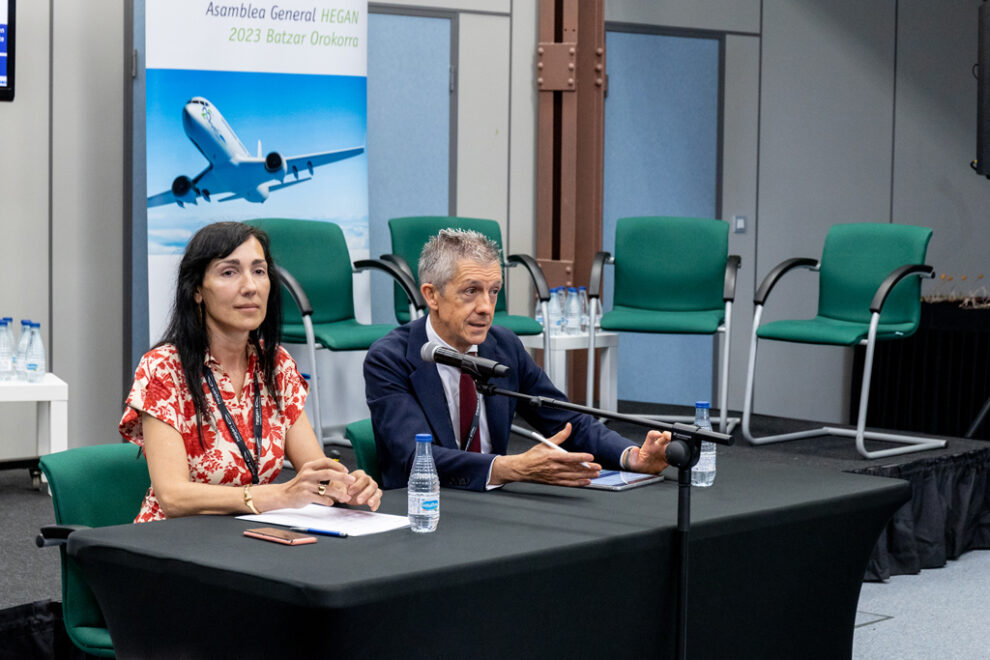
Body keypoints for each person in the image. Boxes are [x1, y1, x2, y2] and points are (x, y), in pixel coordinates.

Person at [364, 228, 672, 491]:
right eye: (471, 291)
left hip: (495, 506)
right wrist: (509, 468)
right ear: (431, 296)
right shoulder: (389, 358)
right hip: (423, 507)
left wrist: (631, 456)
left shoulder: (503, 346)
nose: (486, 307)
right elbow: (416, 457)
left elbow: (565, 419)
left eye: (493, 291)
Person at [120, 221, 381, 522]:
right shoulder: (164, 368)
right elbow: (173, 497)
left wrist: (346, 486)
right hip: (175, 540)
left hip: (252, 533)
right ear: (196, 291)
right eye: (229, 272)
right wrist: (277, 496)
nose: (250, 287)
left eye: (259, 271)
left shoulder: (276, 364)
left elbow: (316, 473)